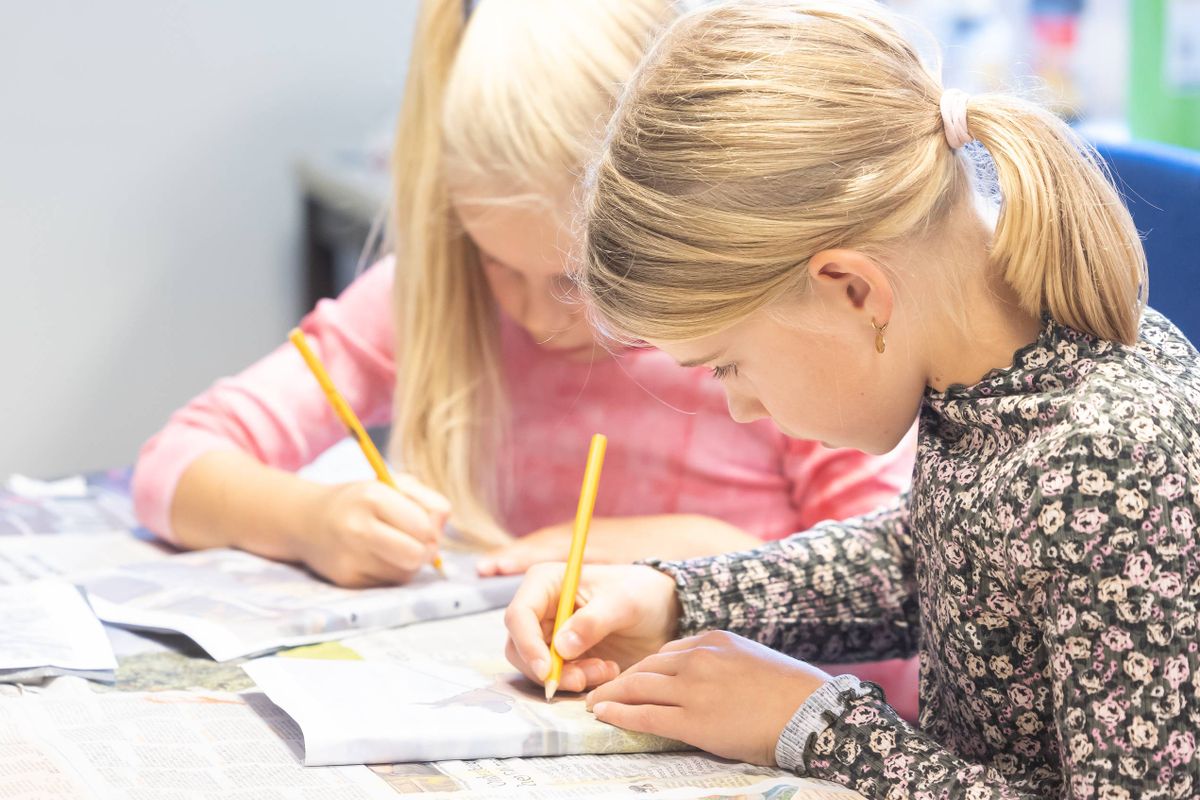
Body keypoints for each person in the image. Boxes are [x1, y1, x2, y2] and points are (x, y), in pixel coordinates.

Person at [502, 2, 1200, 798]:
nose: (741, 408)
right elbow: (938, 567)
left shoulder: (1117, 455)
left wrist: (821, 727)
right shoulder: (992, 382)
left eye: (729, 366)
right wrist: (676, 597)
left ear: (853, 290)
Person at [131, 0, 910, 600]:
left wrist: (701, 557)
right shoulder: (438, 294)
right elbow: (172, 471)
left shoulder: (759, 328)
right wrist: (312, 522)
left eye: (577, 280)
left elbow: (900, 607)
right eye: (499, 262)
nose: (535, 317)